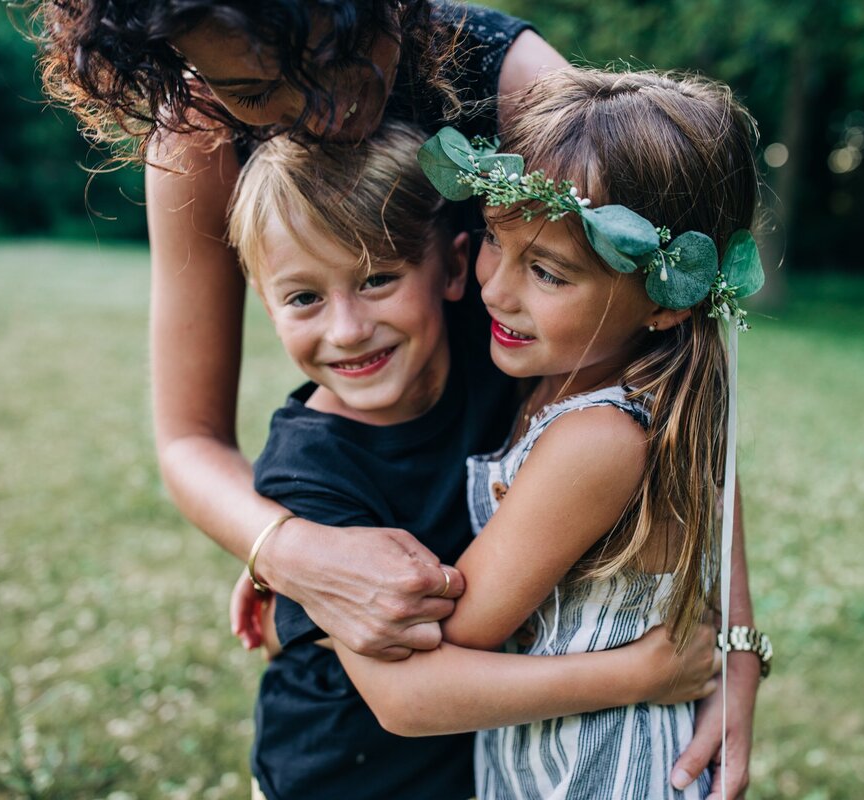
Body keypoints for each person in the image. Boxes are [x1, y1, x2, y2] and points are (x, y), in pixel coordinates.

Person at [26, 1, 760, 792]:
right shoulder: (197, 132)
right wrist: (297, 550)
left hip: (496, 541)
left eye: (336, 59)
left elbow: (679, 345)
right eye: (254, 89)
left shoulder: (519, 85)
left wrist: (735, 636)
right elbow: (188, 439)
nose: (317, 111)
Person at [225, 121, 721, 799]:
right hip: (341, 777)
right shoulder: (306, 468)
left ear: (454, 269)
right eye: (303, 297)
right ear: (266, 303)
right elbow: (406, 694)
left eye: (377, 280)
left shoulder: (504, 356)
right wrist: (639, 674)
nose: (346, 329)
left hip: (477, 765)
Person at [327, 67, 772, 799]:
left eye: (549, 273)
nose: (495, 288)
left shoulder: (596, 439)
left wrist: (317, 579)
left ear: (667, 302)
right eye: (495, 240)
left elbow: (443, 634)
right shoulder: (571, 381)